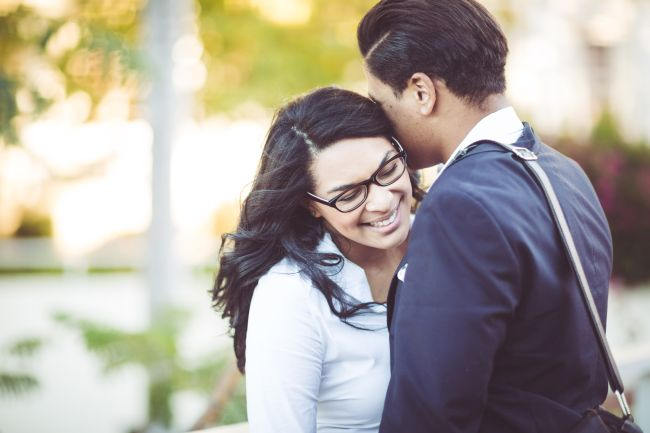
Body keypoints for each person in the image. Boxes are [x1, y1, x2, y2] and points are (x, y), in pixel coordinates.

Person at [357, 1, 613, 432]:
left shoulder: (460, 204)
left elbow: (432, 410)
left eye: (382, 103)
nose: (382, 123)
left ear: (422, 92)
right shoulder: (566, 172)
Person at [211, 86, 424, 433]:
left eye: (387, 171)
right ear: (310, 204)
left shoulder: (446, 240)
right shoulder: (291, 294)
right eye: (350, 195)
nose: (383, 202)